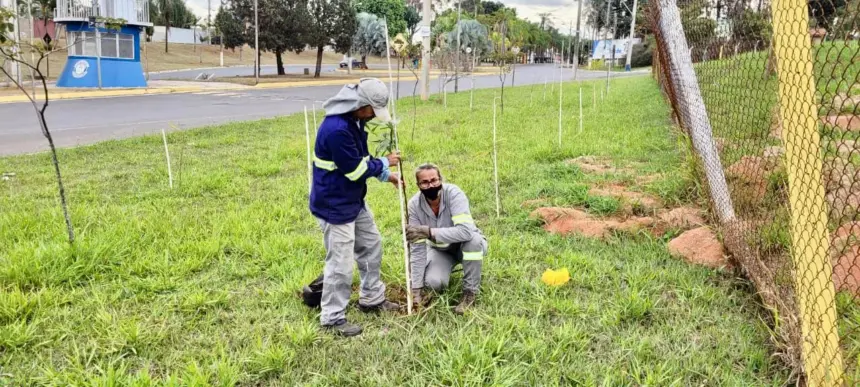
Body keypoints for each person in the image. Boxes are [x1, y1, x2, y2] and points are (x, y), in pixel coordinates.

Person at [309, 77, 403, 337]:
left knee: (371, 244)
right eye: (372, 110)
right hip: (334, 205)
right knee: (340, 264)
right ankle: (332, 317)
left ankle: (371, 298)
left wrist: (386, 175)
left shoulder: (354, 121)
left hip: (352, 200)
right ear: (361, 104)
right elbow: (355, 170)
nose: (373, 116)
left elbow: (361, 159)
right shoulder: (337, 129)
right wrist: (386, 162)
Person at [405, 163, 487, 315]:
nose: (430, 185)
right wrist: (416, 289)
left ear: (441, 179)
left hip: (465, 245)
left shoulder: (454, 194)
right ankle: (435, 279)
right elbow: (417, 248)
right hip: (440, 250)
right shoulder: (414, 205)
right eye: (425, 182)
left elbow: (466, 232)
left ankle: (470, 293)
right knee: (435, 284)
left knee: (474, 241)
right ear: (418, 185)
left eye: (434, 180)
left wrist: (430, 232)